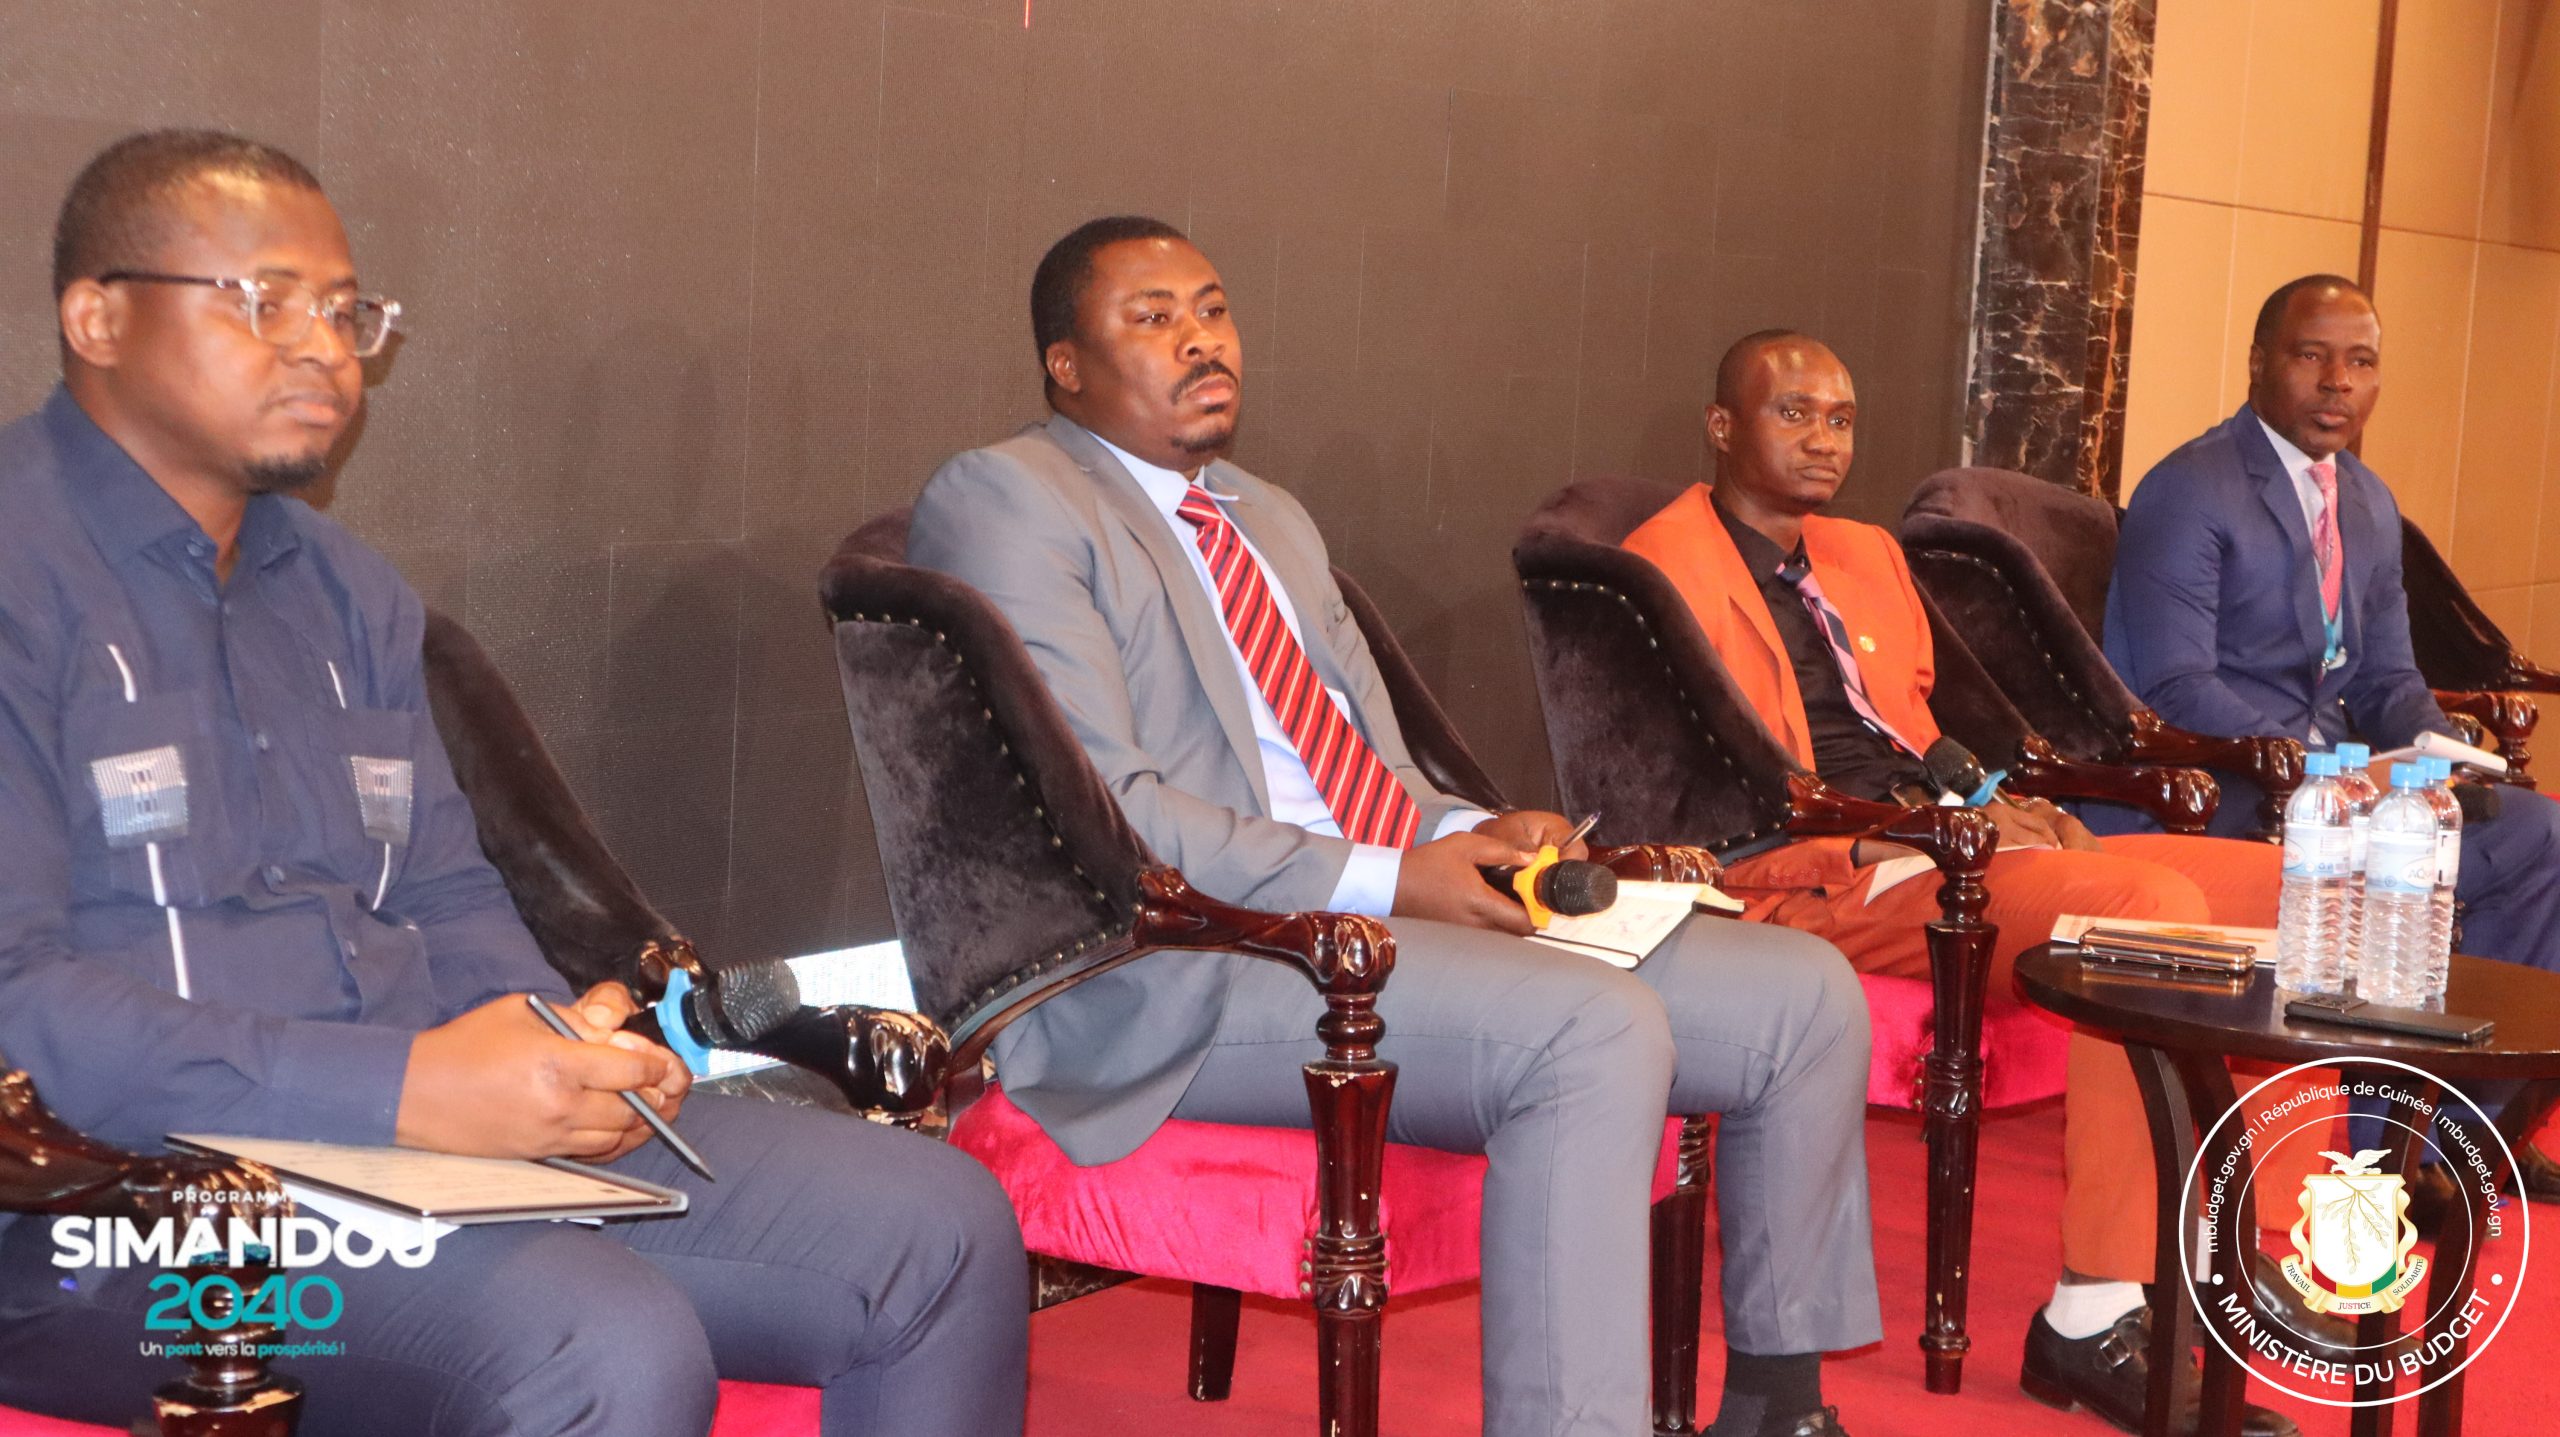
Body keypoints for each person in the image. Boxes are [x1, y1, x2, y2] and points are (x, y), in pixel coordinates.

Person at [0, 129, 1026, 1437]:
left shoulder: (350, 597)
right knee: (595, 1342)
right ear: (96, 317)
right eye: (266, 302)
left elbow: (442, 890)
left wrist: (556, 1050)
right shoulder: (22, 573)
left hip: (414, 1158)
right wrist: (402, 1092)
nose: (323, 349)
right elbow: (19, 1001)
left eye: (345, 312)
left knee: (937, 1225)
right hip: (111, 1226)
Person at [909, 216, 1876, 1437]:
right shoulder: (1011, 499)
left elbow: (1373, 768)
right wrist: (1392, 879)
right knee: (1590, 1029)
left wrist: (1479, 832)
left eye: (1212, 309)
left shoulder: (1267, 513)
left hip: (1362, 915)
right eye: (1152, 319)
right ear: (1065, 365)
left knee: (1802, 994)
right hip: (1177, 962)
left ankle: (1777, 1411)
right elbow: (1115, 817)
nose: (1201, 341)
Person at [1622, 331, 2318, 1437]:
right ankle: (2093, 1313)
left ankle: (2228, 1251)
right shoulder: (1658, 569)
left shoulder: (1861, 553)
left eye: (1840, 418)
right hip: (1828, 870)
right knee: (2140, 914)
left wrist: (1997, 799)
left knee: (2290, 887)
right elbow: (1711, 794)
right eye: (1793, 413)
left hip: (1949, 839)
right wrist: (1929, 829)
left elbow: (1928, 727)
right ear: (1720, 426)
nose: (1823, 439)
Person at [2107, 274, 2560, 1205]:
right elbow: (2174, 686)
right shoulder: (2191, 489)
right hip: (2227, 787)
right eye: (2311, 355)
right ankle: (2379, 1155)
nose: (2337, 383)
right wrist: (2336, 773)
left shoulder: (2368, 501)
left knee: (2537, 832)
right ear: (2259, 363)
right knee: (2405, 858)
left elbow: (2387, 678)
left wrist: (2437, 749)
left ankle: (2467, 1136)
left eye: (2360, 363)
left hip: (2339, 782)